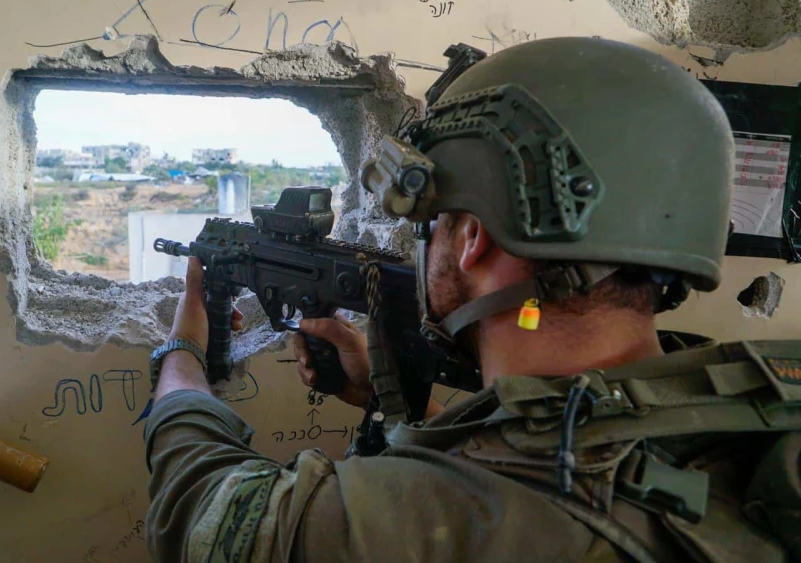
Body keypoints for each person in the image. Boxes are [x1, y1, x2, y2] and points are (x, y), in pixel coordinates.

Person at [144, 37, 801, 562]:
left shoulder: (422, 522)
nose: (421, 243)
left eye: (431, 222)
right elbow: (538, 456)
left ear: (473, 240)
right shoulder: (749, 415)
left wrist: (184, 345)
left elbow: (198, 512)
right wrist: (388, 391)